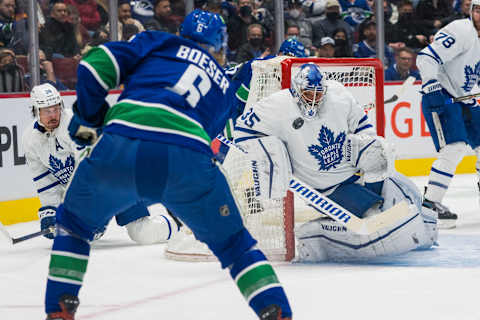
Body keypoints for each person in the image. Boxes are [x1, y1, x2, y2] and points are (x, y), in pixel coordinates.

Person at [42, 10, 292, 320]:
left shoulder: (158, 42)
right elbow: (207, 140)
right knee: (236, 247)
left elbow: (94, 66)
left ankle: (59, 307)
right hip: (188, 161)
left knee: (75, 228)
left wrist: (88, 118)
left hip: (122, 147)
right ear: (219, 44)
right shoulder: (225, 88)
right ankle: (277, 310)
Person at [234, 63, 437, 262]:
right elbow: (242, 130)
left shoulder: (339, 95)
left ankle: (421, 230)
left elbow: (363, 126)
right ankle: (319, 240)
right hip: (328, 189)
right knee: (374, 212)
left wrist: (367, 148)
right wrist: (267, 156)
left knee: (409, 194)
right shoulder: (277, 105)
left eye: (318, 94)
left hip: (358, 172)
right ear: (297, 91)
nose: (314, 100)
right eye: (308, 94)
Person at [22, 83, 179, 244]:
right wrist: (50, 213)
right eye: (47, 111)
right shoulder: (29, 140)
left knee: (143, 233)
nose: (54, 115)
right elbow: (45, 183)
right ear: (35, 110)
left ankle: (181, 224)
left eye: (56, 108)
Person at [416, 0, 480, 229]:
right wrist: (431, 85)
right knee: (454, 147)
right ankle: (431, 203)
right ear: (471, 11)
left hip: (466, 98)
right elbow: (426, 57)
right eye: (478, 10)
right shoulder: (460, 31)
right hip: (442, 94)